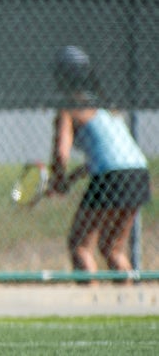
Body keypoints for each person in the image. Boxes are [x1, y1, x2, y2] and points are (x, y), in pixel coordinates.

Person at [47, 45, 151, 285]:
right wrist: (69, 180)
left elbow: (61, 154)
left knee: (80, 245)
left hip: (112, 177)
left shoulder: (69, 108)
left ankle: (90, 304)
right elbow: (113, 157)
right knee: (112, 249)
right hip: (138, 174)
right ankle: (126, 305)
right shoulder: (107, 106)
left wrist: (59, 178)